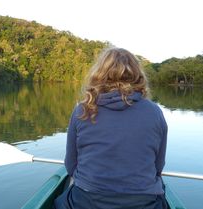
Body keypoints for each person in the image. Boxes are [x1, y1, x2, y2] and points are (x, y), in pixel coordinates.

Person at [55, 47, 168, 209]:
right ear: (137, 76)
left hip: (87, 202)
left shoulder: (82, 110)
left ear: (99, 74)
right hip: (143, 203)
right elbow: (158, 167)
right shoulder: (154, 112)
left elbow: (71, 165)